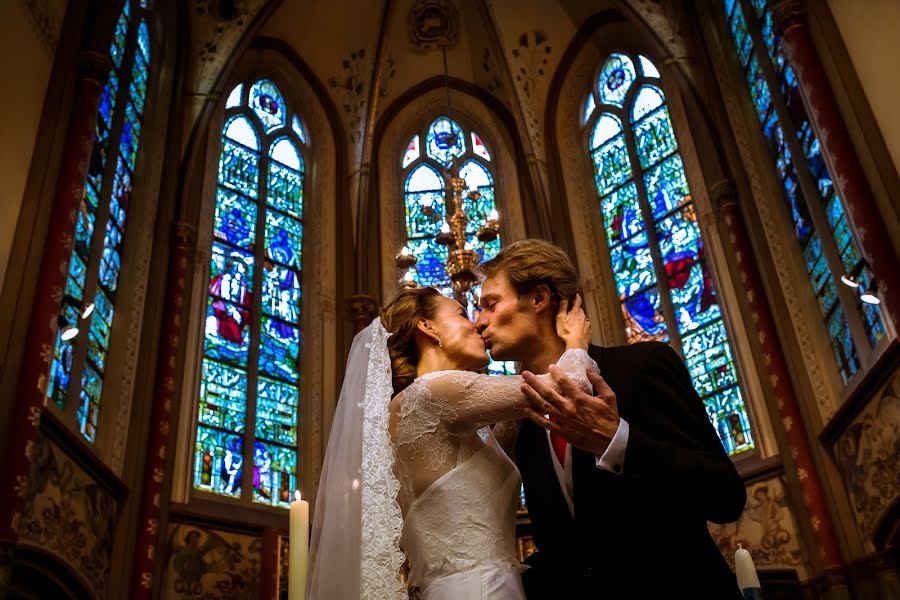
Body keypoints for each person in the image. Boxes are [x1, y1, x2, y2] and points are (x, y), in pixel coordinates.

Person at [474, 239, 746, 599]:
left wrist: (616, 440)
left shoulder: (641, 367)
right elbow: (568, 554)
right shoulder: (522, 421)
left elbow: (725, 496)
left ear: (539, 298)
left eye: (491, 305)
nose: (479, 323)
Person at [306, 286, 595, 599]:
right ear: (427, 327)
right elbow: (566, 388)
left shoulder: (416, 409)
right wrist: (575, 339)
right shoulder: (436, 390)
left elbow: (517, 419)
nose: (476, 325)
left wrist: (525, 348)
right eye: (461, 313)